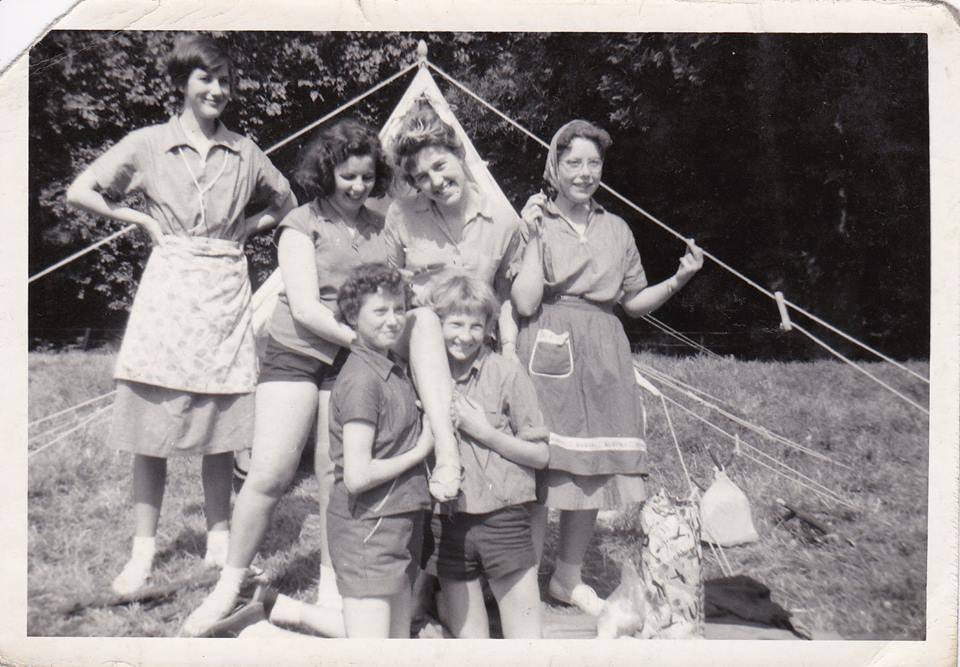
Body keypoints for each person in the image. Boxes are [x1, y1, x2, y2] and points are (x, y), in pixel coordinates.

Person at [65, 34, 295, 596]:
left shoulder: (244, 151)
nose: (217, 90)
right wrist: (142, 221)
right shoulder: (149, 144)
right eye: (205, 79)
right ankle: (143, 552)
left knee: (221, 425)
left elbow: (286, 202)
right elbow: (80, 191)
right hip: (169, 287)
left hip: (224, 290)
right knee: (152, 425)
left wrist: (247, 227)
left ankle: (219, 543)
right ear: (182, 83)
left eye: (225, 81)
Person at [180, 119, 391, 636]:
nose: (358, 186)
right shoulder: (300, 223)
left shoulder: (382, 227)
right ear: (328, 171)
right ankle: (229, 586)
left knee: (336, 475)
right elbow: (304, 307)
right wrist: (362, 340)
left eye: (367, 177)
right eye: (348, 176)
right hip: (299, 351)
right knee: (271, 472)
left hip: (351, 362)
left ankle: (332, 588)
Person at [511, 120, 703, 615]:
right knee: (542, 467)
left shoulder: (616, 228)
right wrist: (530, 236)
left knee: (593, 469)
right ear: (553, 167)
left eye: (593, 162)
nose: (584, 172)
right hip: (549, 345)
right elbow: (525, 301)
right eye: (573, 162)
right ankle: (523, 582)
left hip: (605, 351)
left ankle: (567, 578)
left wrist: (678, 280)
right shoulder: (535, 221)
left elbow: (633, 303)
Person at [385, 100, 522, 502]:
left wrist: (509, 351)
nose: (436, 181)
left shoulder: (503, 221)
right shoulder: (401, 215)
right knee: (427, 320)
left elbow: (506, 296)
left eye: (440, 166)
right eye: (422, 177)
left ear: (460, 155)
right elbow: (386, 286)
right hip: (413, 342)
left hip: (471, 344)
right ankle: (447, 453)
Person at [420, 273, 548, 638]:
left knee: (526, 642)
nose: (465, 336)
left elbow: (540, 455)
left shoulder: (506, 374)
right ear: (436, 325)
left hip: (501, 518)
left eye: (476, 326)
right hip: (447, 522)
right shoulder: (423, 375)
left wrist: (486, 432)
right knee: (472, 646)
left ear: (490, 327)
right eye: (455, 324)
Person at [325, 263, 434, 637]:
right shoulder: (362, 380)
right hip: (368, 529)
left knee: (396, 644)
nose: (393, 320)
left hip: (399, 523)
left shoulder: (391, 368)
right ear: (353, 317)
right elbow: (357, 477)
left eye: (399, 309)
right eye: (380, 311)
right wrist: (420, 451)